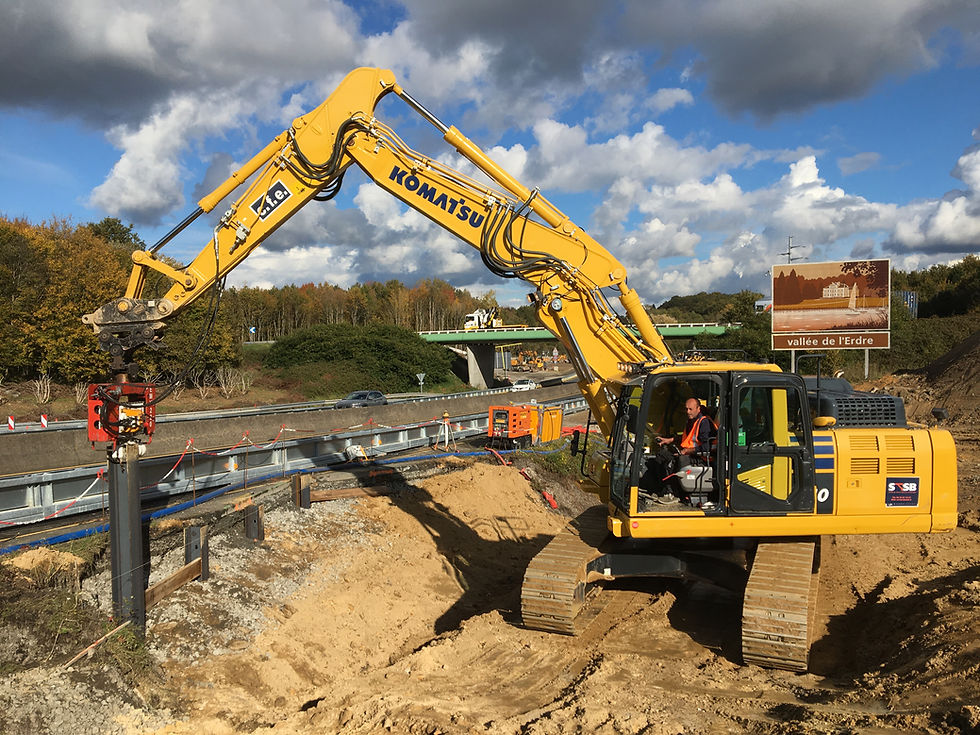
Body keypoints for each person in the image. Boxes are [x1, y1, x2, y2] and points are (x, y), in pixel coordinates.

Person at [649, 398, 716, 503]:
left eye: (690, 409)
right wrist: (669, 440)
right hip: (690, 454)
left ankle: (671, 493)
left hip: (701, 457)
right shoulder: (692, 421)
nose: (687, 412)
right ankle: (660, 489)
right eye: (686, 409)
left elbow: (706, 448)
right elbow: (686, 438)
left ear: (698, 408)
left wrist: (686, 451)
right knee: (661, 455)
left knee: (670, 460)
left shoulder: (704, 423)